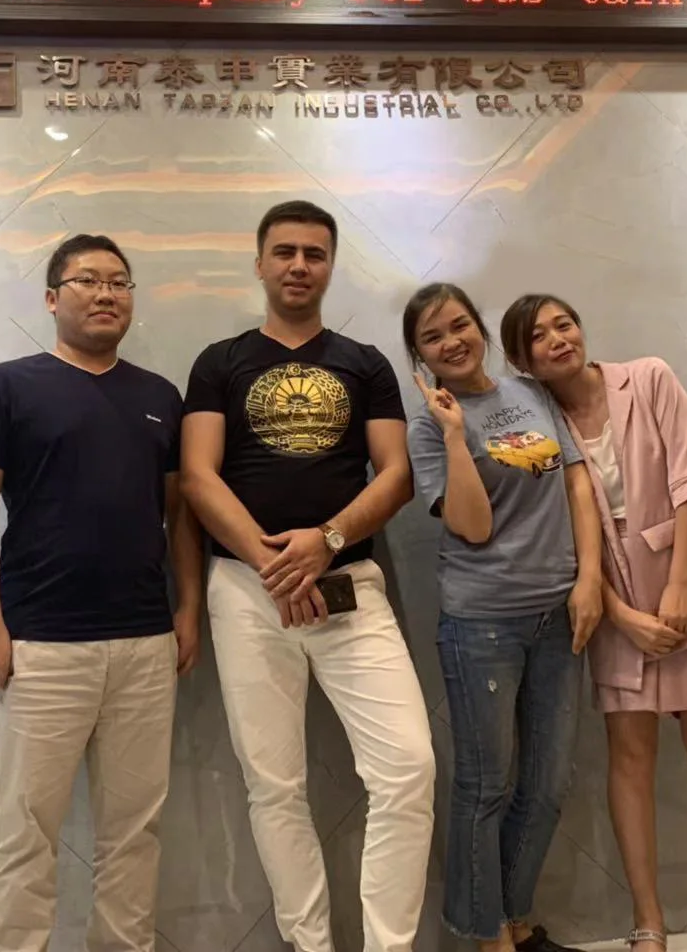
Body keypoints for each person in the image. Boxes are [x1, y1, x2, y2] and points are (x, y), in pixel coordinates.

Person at [180, 200, 436, 952]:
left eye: (314, 254)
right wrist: (276, 568)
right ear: (260, 262)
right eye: (285, 252)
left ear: (330, 267)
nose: (299, 266)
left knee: (409, 770)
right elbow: (197, 477)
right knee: (274, 785)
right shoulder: (219, 362)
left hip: (350, 587)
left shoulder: (365, 362)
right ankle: (309, 944)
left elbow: (396, 476)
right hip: (244, 591)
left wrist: (325, 543)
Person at [0, 234, 203, 952]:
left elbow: (179, 516)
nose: (105, 293)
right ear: (52, 298)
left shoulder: (160, 397)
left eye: (119, 282)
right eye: (87, 280)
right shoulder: (4, 387)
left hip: (145, 645)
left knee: (134, 834)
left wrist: (188, 607)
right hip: (41, 645)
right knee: (24, 834)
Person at [506, 294, 687, 952]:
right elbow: (559, 531)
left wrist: (682, 589)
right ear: (521, 360)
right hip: (609, 597)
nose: (558, 338)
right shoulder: (535, 427)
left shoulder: (649, 377)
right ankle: (647, 923)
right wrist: (622, 615)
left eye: (564, 323)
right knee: (629, 759)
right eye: (539, 335)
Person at [402, 283, 603, 952]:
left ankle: (513, 919)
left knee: (547, 785)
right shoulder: (427, 428)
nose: (451, 342)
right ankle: (489, 938)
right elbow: (472, 525)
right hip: (481, 625)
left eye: (459, 325)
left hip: (558, 615)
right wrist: (456, 436)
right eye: (433, 337)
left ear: (480, 328)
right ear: (419, 355)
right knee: (485, 785)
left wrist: (589, 579)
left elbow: (576, 480)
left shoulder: (531, 392)